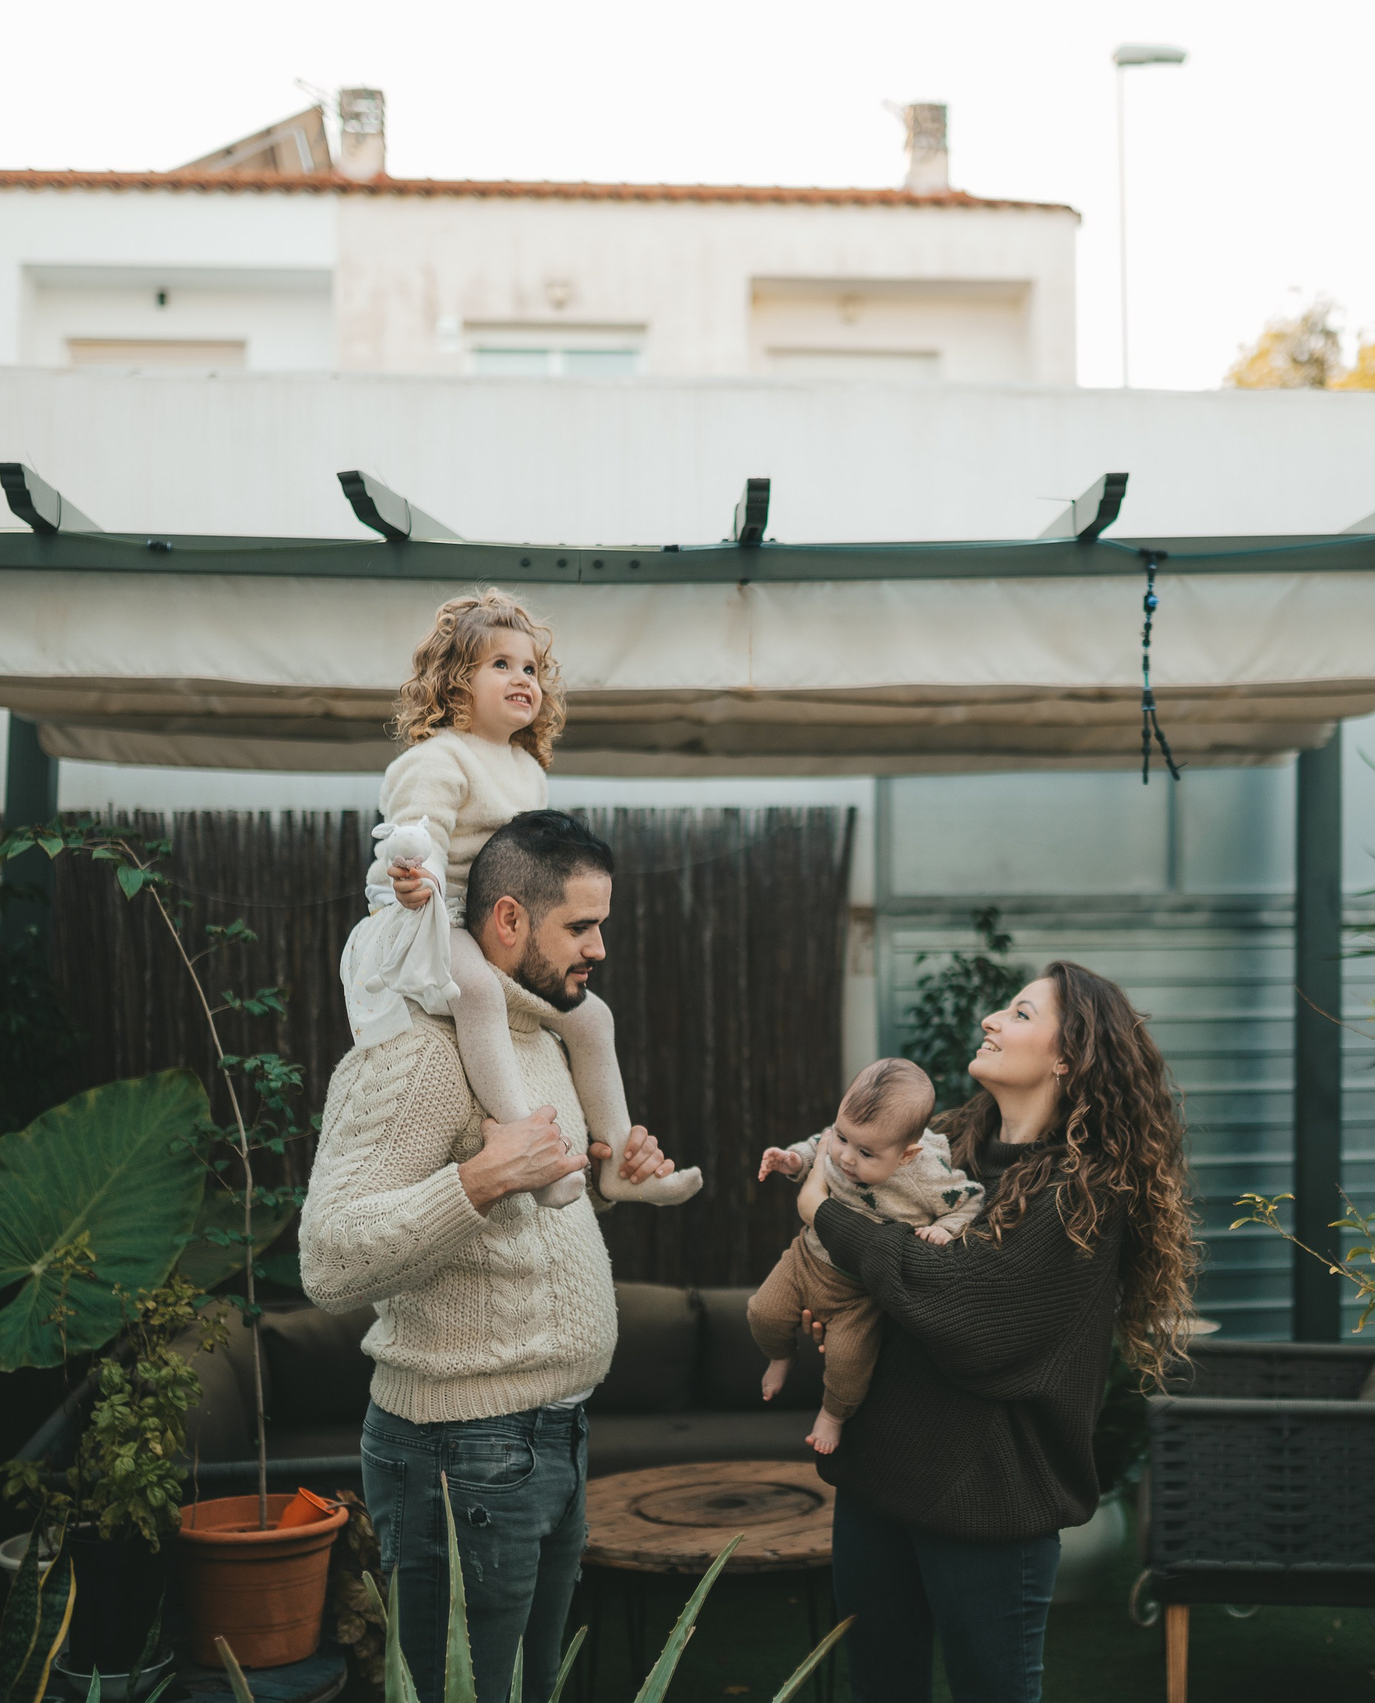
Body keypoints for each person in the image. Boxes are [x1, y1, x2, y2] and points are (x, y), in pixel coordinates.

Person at [300, 810, 685, 1703]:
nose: (598, 949)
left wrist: (610, 1179)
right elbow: (326, 1257)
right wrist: (476, 1181)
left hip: (554, 1433)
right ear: (508, 919)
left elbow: (526, 1233)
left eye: (602, 926)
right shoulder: (419, 1052)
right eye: (580, 927)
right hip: (458, 1452)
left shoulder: (538, 1040)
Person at [794, 963, 1201, 1703]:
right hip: (877, 1477)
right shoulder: (948, 1144)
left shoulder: (1085, 1189)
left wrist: (828, 1214)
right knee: (878, 1688)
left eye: (1018, 1013)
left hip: (986, 1500)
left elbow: (966, 1309)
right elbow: (853, 1205)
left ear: (1066, 1057)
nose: (990, 1019)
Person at [338, 586, 698, 1207]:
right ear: (456, 683)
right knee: (475, 991)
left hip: (496, 923)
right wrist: (410, 873)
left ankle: (616, 1164)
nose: (522, 678)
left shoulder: (529, 769)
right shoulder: (439, 757)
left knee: (594, 1017)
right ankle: (532, 1149)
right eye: (500, 665)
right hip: (431, 914)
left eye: (530, 668)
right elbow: (414, 834)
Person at [749, 1058, 985, 1454]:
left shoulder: (927, 1176)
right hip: (805, 1258)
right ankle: (780, 1355)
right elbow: (816, 1149)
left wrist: (944, 1228)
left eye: (866, 1153)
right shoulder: (844, 1140)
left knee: (847, 1364)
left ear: (907, 1155)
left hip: (859, 1294)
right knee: (763, 1312)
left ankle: (833, 1414)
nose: (846, 1159)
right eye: (843, 1137)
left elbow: (972, 1200)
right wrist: (791, 1160)